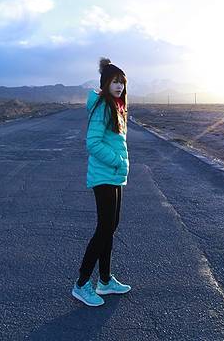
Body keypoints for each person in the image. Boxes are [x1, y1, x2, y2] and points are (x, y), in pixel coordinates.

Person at [71, 57, 132, 307]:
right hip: (104, 174)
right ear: (105, 83)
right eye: (114, 82)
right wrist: (117, 161)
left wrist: (119, 165)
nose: (119, 86)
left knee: (110, 227)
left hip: (113, 175)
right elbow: (93, 143)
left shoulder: (116, 106)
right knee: (104, 228)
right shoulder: (103, 107)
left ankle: (105, 281)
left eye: (122, 82)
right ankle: (81, 283)